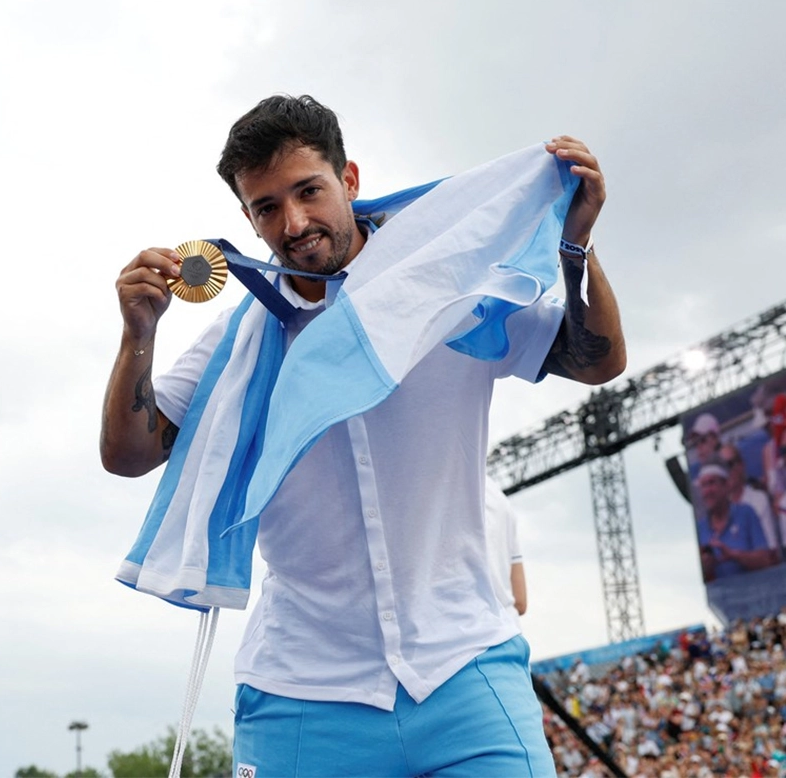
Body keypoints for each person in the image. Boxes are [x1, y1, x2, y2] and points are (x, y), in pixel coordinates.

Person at [100, 95, 626, 776]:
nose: (293, 222)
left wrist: (575, 244)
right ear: (247, 219)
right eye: (266, 208)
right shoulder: (233, 349)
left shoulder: (446, 287)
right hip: (303, 696)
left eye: (308, 191)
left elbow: (596, 361)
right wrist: (137, 334)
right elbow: (129, 454)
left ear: (348, 180)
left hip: (465, 671)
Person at [696, 463, 776, 582]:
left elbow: (766, 560)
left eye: (712, 483)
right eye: (703, 486)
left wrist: (734, 555)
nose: (708, 491)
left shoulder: (746, 513)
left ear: (726, 486)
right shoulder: (700, 528)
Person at [718, 443, 780, 554]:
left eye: (729, 465)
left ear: (741, 465)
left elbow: (771, 551)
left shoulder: (758, 500)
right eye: (721, 467)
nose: (726, 472)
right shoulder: (718, 509)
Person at [484, 475, 527, 620]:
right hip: (510, 632)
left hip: (464, 638)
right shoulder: (500, 498)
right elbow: (520, 601)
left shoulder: (430, 488)